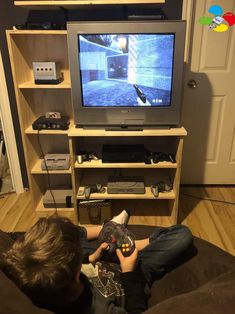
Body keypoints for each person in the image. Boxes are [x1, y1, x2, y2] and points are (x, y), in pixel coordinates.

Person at [2, 211, 193, 314]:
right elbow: (136, 308)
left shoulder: (54, 281)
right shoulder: (100, 310)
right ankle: (132, 243)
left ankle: (108, 233)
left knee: (71, 240)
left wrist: (92, 258)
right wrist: (130, 272)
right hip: (133, 273)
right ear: (75, 271)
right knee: (182, 235)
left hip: (101, 261)